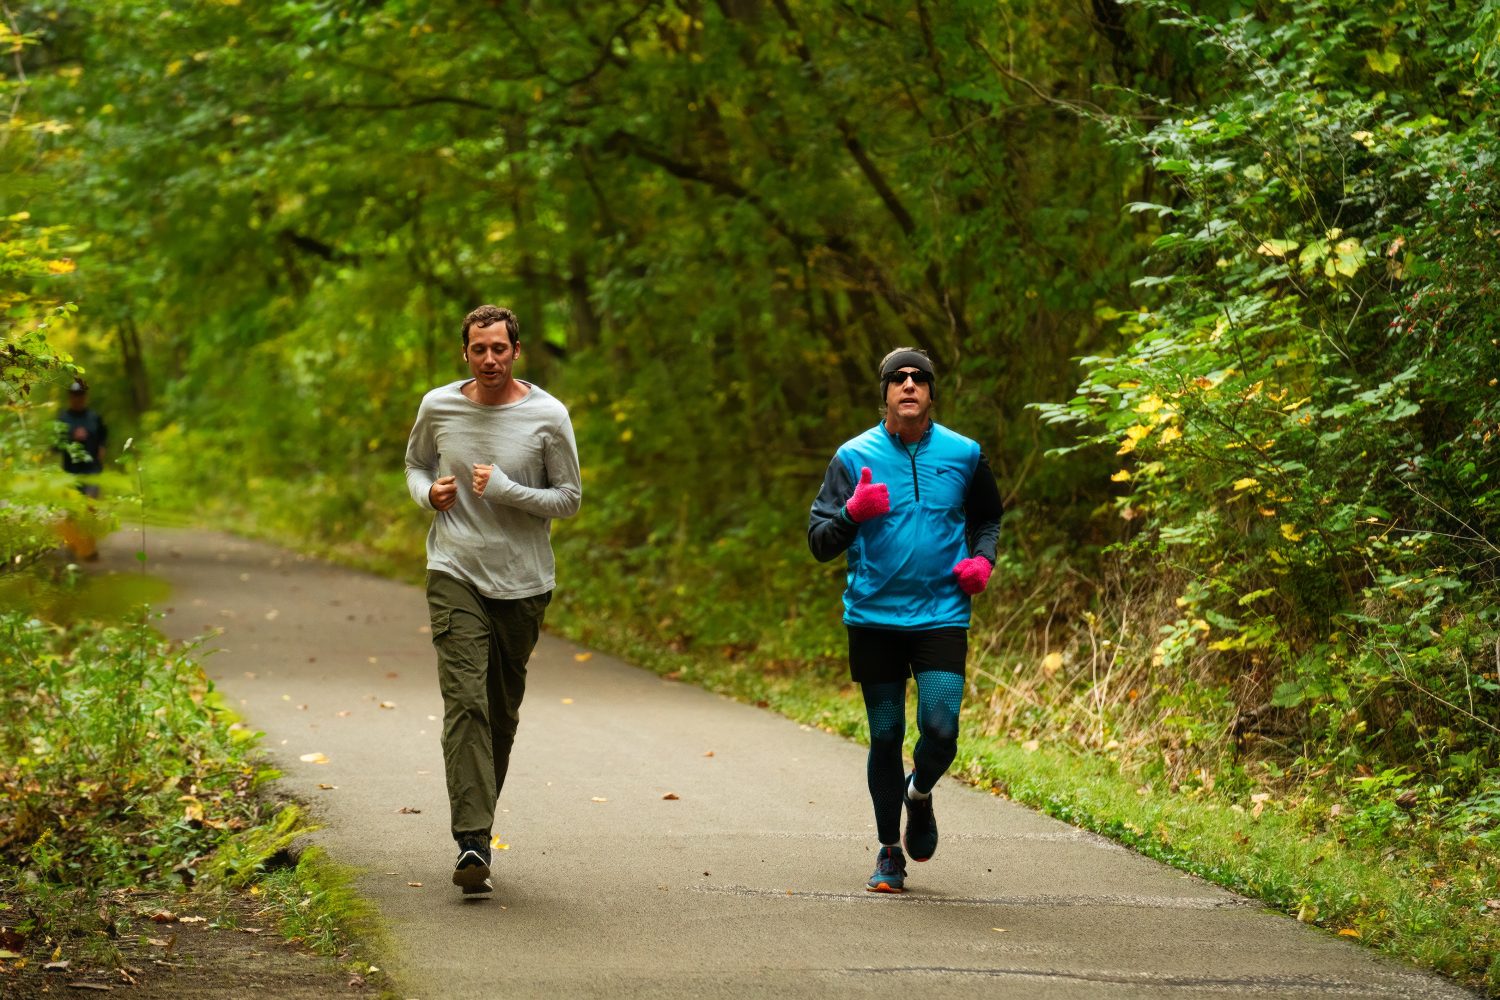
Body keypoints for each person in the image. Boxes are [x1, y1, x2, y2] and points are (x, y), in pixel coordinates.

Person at [807, 347, 1002, 893]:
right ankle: (889, 851)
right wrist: (852, 512)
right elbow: (820, 542)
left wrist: (982, 560)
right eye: (899, 378)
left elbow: (989, 516)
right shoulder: (852, 456)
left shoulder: (964, 454)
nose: (909, 385)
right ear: (886, 392)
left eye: (920, 378)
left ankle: (920, 794)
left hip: (941, 613)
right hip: (873, 617)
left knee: (940, 730)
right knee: (886, 733)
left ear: (932, 392)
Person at [403, 304, 582, 895]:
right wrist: (429, 494)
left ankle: (479, 825)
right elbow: (414, 464)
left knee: (500, 714)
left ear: (516, 350)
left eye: (499, 349)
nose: (488, 360)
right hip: (454, 567)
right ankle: (472, 840)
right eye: (478, 350)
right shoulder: (439, 406)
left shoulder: (548, 416)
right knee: (465, 703)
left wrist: (506, 490)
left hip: (524, 583)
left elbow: (568, 499)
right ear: (465, 353)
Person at [56, 378, 108, 560]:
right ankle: (73, 547)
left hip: (92, 470)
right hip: (71, 472)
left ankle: (89, 549)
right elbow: (55, 445)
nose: (78, 398)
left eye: (81, 395)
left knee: (90, 506)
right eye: (74, 395)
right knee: (72, 510)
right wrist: (72, 438)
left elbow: (103, 437)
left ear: (85, 397)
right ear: (70, 396)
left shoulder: (94, 417)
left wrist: (101, 449)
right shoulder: (63, 418)